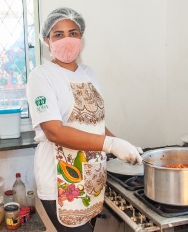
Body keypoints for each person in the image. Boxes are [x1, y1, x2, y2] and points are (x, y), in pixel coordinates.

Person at [27, 7, 143, 232]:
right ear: (46, 40)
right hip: (61, 182)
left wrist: (121, 145)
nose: (67, 39)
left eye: (73, 32)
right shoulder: (41, 76)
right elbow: (54, 131)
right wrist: (110, 145)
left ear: (81, 37)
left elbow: (95, 123)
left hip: (92, 177)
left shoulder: (89, 73)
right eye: (58, 34)